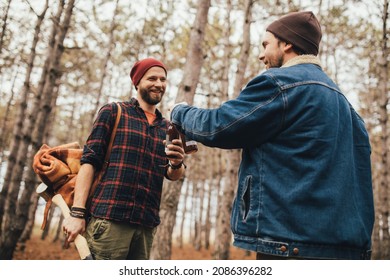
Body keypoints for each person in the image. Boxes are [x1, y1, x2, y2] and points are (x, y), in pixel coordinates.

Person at [170, 11, 374, 259]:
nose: (260, 54)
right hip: (346, 249)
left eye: (266, 44)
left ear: (287, 43)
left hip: (289, 243)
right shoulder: (348, 107)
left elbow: (220, 126)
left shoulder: (280, 84)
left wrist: (180, 112)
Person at [62, 58, 186, 260]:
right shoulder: (113, 112)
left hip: (146, 226)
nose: (158, 83)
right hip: (110, 220)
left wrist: (177, 163)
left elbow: (173, 174)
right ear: (137, 82)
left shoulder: (168, 127)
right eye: (151, 78)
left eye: (163, 79)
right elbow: (89, 162)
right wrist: (77, 214)